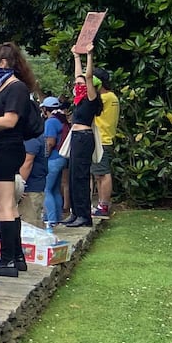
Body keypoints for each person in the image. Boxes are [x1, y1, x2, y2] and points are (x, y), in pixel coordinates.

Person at [0, 42, 40, 277]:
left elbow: (9, 120)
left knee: (3, 204)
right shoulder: (2, 86)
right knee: (10, 206)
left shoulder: (15, 88)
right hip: (2, 147)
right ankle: (16, 257)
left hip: (7, 147)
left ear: (3, 63)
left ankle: (6, 261)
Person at [64, 50, 101, 228]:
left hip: (84, 138)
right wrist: (76, 57)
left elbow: (87, 76)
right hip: (76, 136)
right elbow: (79, 75)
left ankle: (84, 216)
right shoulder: (79, 100)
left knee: (80, 176)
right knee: (72, 176)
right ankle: (76, 212)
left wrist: (89, 55)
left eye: (81, 83)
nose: (78, 84)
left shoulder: (92, 99)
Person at [91, 69, 119, 217]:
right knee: (99, 174)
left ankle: (104, 205)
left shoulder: (105, 98)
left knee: (103, 174)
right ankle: (101, 203)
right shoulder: (112, 96)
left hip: (101, 138)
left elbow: (89, 100)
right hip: (105, 138)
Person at [41, 97, 70, 225]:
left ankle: (51, 219)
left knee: (46, 189)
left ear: (45, 109)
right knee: (55, 189)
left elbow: (50, 142)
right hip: (62, 158)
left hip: (53, 159)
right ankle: (57, 217)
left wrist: (43, 157)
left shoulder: (50, 122)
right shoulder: (62, 120)